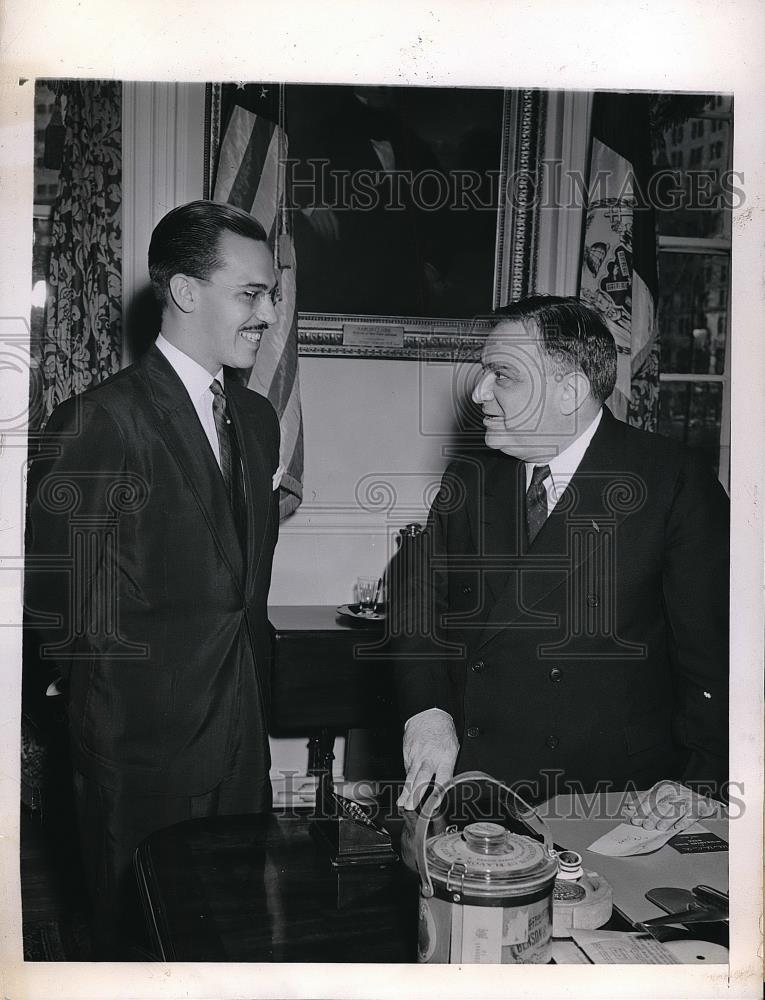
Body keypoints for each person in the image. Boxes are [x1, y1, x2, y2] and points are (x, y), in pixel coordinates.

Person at [24, 200, 282, 957]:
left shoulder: (260, 420)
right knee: (140, 946)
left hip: (242, 741)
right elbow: (49, 599)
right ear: (184, 291)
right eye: (251, 293)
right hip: (141, 754)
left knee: (231, 935)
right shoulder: (99, 420)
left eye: (270, 293)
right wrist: (111, 708)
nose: (268, 313)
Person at [391, 296, 729, 827]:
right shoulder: (469, 479)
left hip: (612, 798)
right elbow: (415, 603)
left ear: (569, 390)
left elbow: (713, 653)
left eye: (501, 375)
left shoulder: (673, 482)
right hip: (477, 788)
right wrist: (427, 711)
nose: (479, 394)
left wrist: (701, 779)